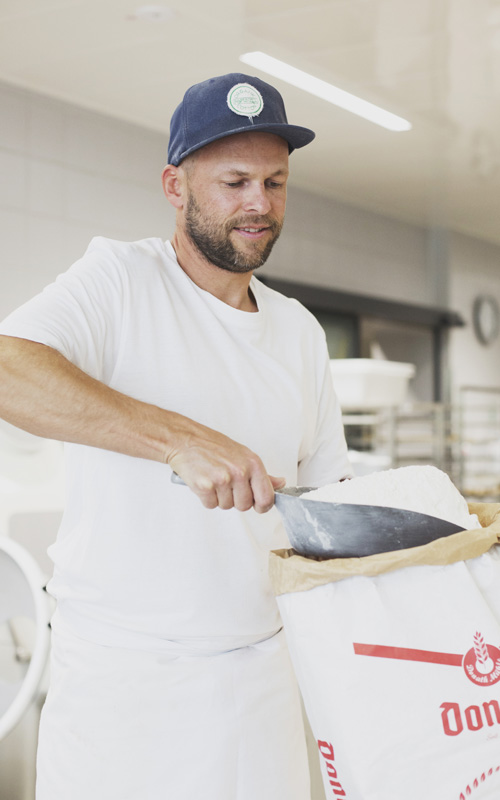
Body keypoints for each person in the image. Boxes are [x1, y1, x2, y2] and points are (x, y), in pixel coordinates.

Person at [0, 73, 351, 799]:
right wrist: (177, 440)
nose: (259, 203)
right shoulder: (120, 281)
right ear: (175, 185)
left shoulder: (300, 332)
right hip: (124, 691)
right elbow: (9, 367)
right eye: (234, 181)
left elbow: (330, 516)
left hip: (262, 687)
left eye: (275, 181)